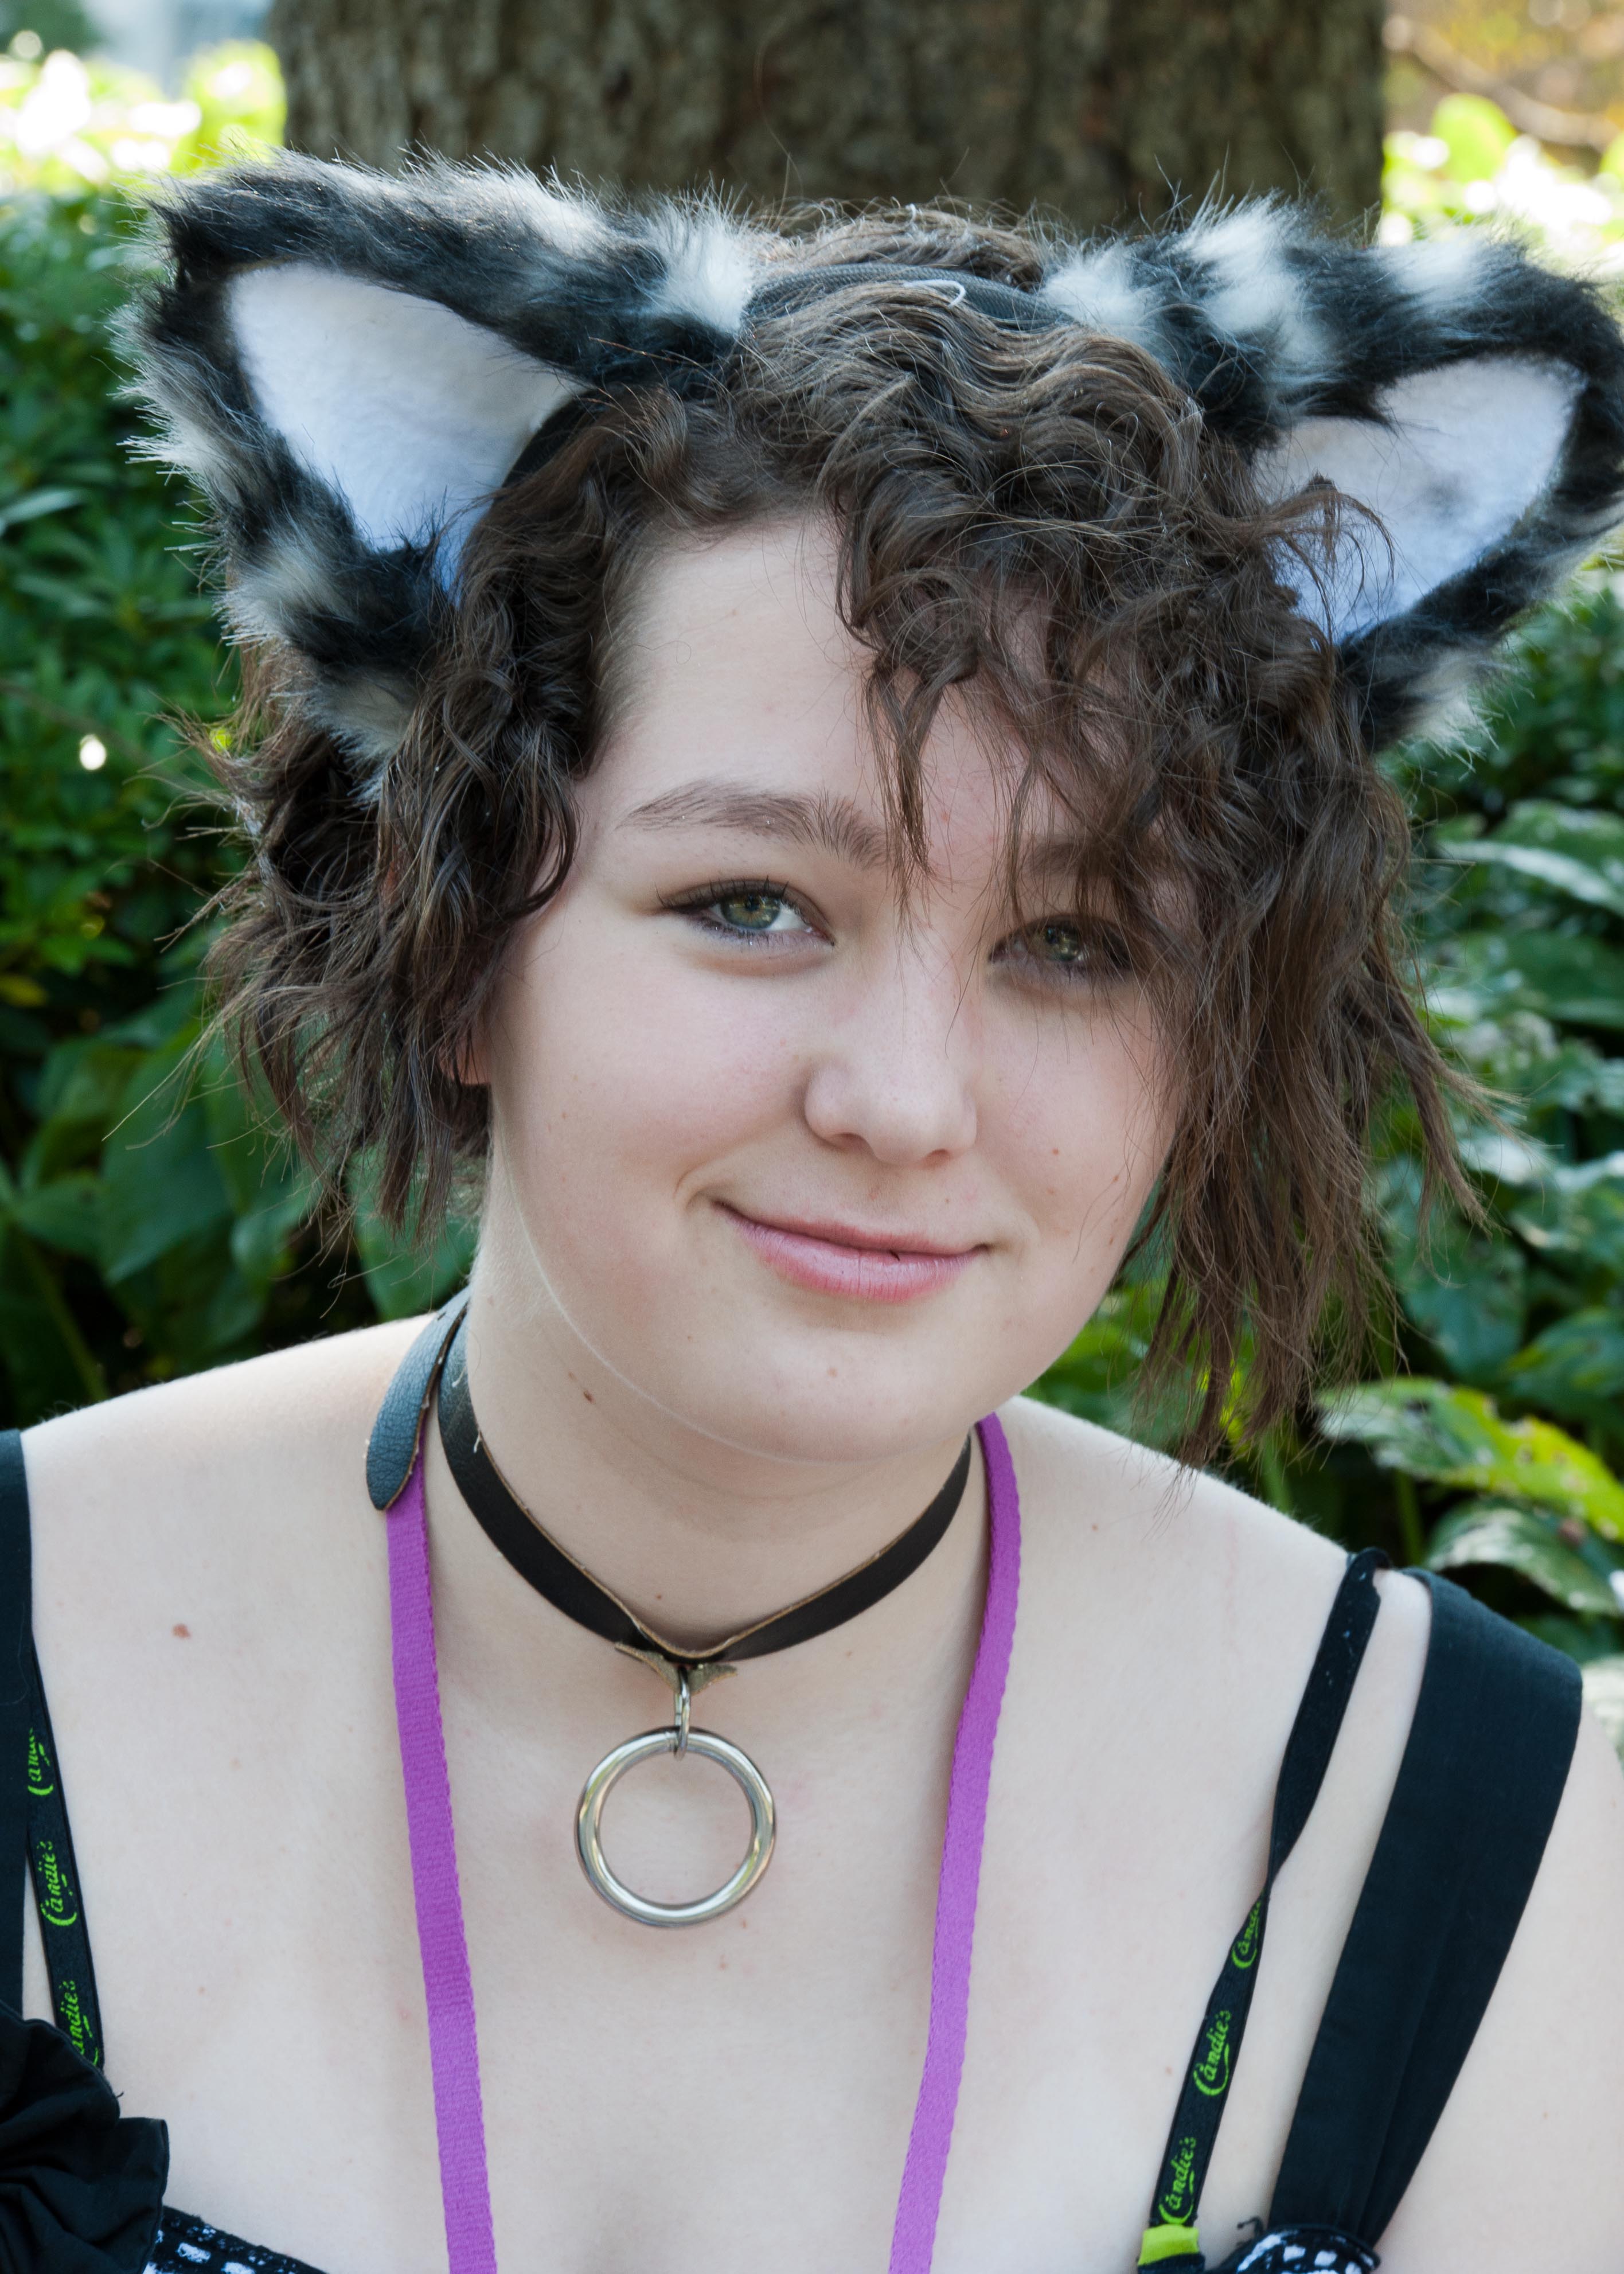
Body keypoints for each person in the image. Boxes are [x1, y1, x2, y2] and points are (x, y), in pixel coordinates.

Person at [7, 155, 1624, 2274]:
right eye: (752, 902)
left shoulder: (1481, 1840)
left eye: (1076, 944)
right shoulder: (32, 1652)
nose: (904, 1102)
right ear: (458, 932)